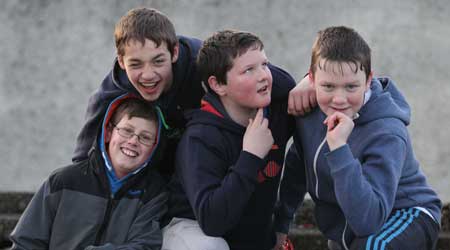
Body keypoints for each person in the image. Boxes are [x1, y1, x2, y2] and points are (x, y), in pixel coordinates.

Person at [72, 7, 297, 178]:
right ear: (121, 61)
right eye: (136, 65)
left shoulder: (201, 62)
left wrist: (308, 82)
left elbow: (278, 82)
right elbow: (82, 160)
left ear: (175, 53)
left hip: (213, 165)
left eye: (158, 61)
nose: (148, 75)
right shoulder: (114, 90)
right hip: (159, 175)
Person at [275, 26, 442, 250]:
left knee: (372, 246)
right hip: (348, 224)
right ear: (312, 79)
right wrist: (280, 226)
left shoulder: (387, 132)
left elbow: (369, 222)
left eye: (351, 86)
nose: (339, 99)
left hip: (406, 213)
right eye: (328, 86)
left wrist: (339, 150)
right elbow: (297, 169)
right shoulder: (311, 111)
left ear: (368, 80)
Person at [162, 30, 295, 250]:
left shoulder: (277, 109)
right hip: (191, 232)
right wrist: (250, 156)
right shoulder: (200, 139)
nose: (263, 75)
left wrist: (310, 81)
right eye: (248, 70)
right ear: (218, 85)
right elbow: (212, 222)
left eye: (265, 64)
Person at [10, 95, 168, 250]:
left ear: (154, 147)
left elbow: (144, 245)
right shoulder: (63, 182)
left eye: (145, 137)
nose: (133, 141)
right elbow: (26, 242)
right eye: (126, 131)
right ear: (108, 133)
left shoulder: (153, 193)